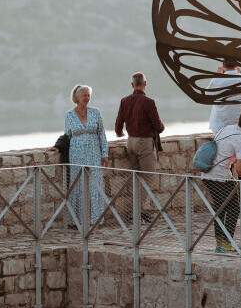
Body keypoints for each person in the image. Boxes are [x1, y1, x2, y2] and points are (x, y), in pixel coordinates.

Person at [48, 84, 109, 227]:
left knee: (96, 186)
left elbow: (102, 134)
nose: (87, 98)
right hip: (77, 154)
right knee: (77, 186)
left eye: (88, 95)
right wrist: (58, 147)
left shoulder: (95, 112)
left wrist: (104, 153)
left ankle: (96, 220)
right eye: (84, 95)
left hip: (94, 153)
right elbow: (67, 136)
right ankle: (76, 220)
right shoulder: (69, 115)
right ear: (76, 98)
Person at [202, 107, 241, 254]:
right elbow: (240, 168)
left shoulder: (225, 129)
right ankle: (226, 244)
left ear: (239, 118)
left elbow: (220, 153)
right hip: (220, 177)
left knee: (220, 209)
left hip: (207, 174)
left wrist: (231, 178)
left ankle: (220, 244)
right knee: (234, 208)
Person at [114, 72, 164, 224]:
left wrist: (119, 133)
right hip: (144, 143)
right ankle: (136, 213)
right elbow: (157, 126)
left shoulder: (124, 101)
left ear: (132, 85)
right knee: (148, 177)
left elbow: (118, 122)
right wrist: (161, 126)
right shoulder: (149, 102)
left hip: (130, 142)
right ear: (145, 83)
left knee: (137, 178)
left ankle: (138, 212)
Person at [208, 58, 241, 175]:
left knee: (223, 158)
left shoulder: (217, 80)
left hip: (221, 126)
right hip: (240, 124)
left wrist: (217, 76)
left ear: (223, 65)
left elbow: (208, 96)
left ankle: (226, 187)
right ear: (237, 65)